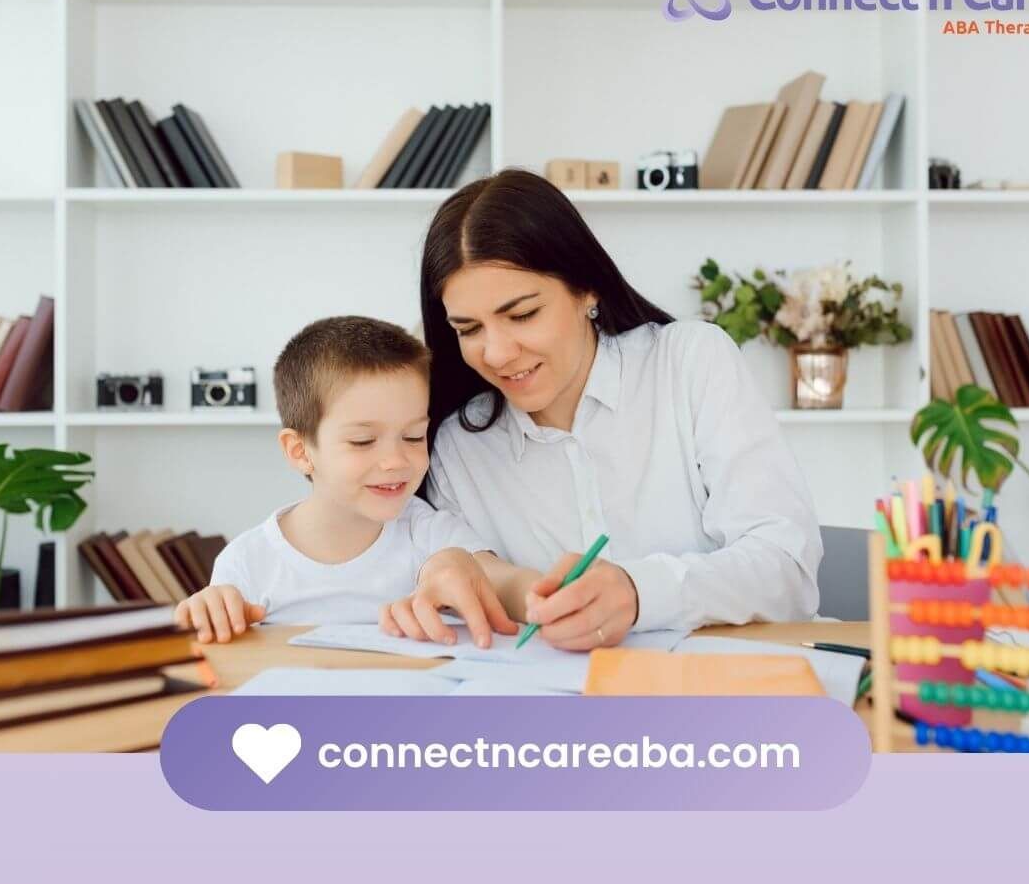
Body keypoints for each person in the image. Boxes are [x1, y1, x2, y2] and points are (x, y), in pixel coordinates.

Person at [378, 170, 823, 651]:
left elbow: (788, 571)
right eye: (469, 329)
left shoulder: (689, 362)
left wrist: (637, 592)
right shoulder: (460, 445)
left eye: (523, 314)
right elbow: (472, 580)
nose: (498, 352)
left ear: (587, 289)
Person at [175, 316, 514, 646]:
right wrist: (206, 614)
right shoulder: (246, 563)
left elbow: (505, 582)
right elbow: (218, 648)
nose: (396, 461)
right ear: (300, 451)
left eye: (413, 437)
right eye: (363, 441)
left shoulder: (432, 536)